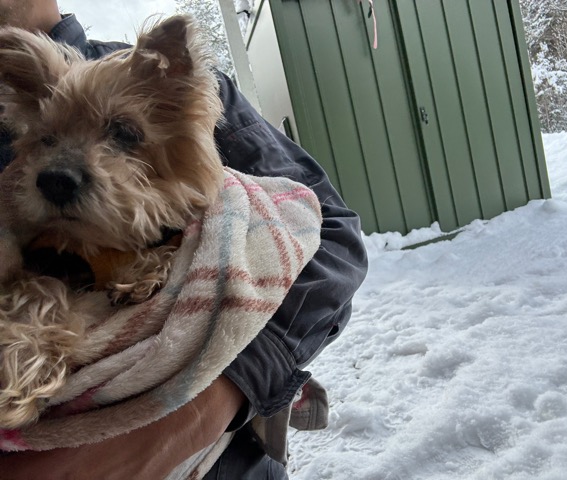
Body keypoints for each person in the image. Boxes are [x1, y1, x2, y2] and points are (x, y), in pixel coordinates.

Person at [0, 2, 368, 479]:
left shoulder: (168, 79)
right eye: (46, 141)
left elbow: (327, 235)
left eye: (123, 135)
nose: (57, 171)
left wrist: (192, 411)